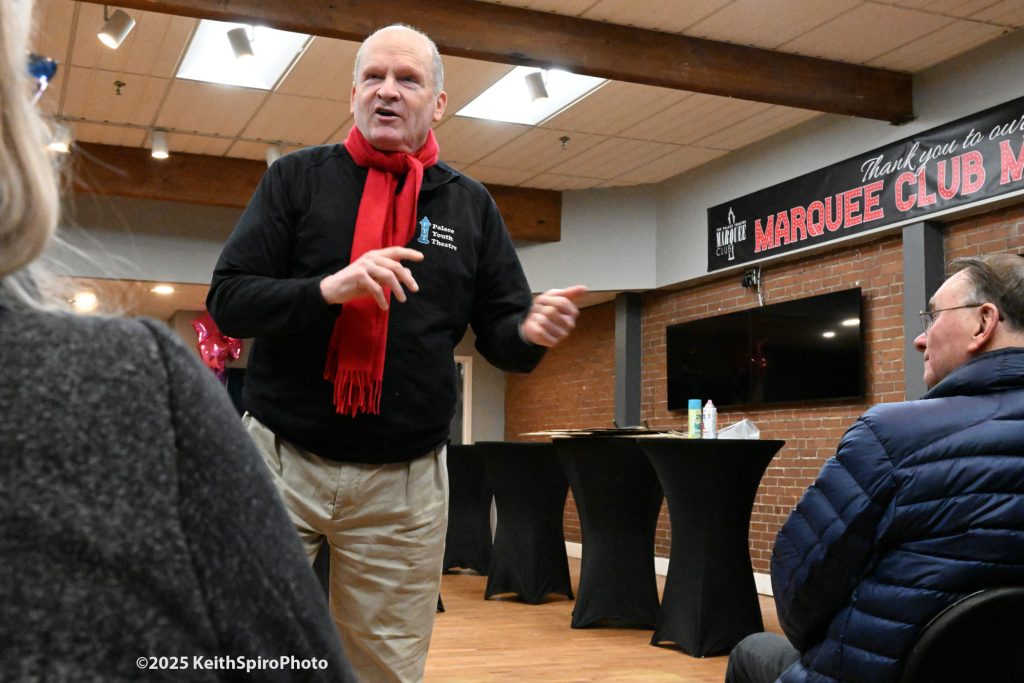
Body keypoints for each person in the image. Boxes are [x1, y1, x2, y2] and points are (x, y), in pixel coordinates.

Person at [206, 22, 585, 683]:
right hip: (279, 464)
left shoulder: (469, 206)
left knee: (384, 669)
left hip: (403, 488)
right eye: (373, 77)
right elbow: (230, 298)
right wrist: (328, 289)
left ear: (437, 103)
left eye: (407, 79)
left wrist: (529, 331)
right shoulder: (296, 180)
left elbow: (502, 331)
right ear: (352, 93)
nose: (387, 91)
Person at [0, 1, 356, 680]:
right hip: (282, 443)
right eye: (24, 76)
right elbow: (297, 660)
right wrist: (321, 293)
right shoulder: (135, 381)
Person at [726, 252, 1024, 683]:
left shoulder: (890, 437)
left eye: (932, 318)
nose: (919, 340)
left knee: (751, 650)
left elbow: (798, 594)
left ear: (983, 322)